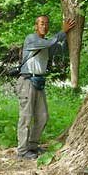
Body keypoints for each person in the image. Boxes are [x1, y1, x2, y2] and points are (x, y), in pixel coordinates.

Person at [15, 15, 75, 159]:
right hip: (27, 81)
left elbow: (57, 50)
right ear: (36, 25)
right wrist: (63, 32)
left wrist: (69, 38)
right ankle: (22, 151)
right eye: (42, 23)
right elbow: (48, 44)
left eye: (47, 24)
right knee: (26, 117)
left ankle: (32, 146)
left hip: (38, 82)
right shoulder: (31, 39)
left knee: (42, 116)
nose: (44, 26)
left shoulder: (46, 43)